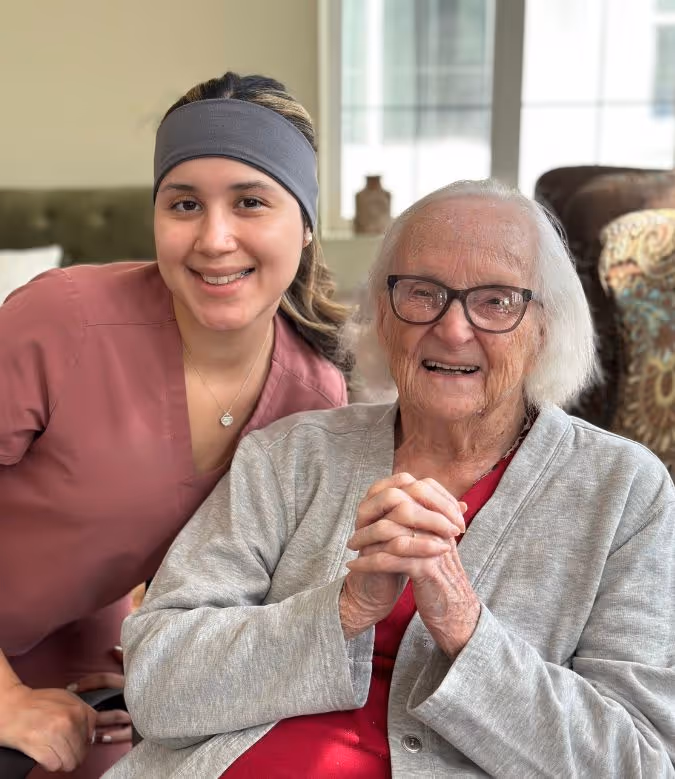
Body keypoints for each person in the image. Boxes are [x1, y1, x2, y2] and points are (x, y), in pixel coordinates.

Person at [106, 179, 674, 779]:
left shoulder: (624, 492)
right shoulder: (290, 456)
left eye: (497, 302)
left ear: (544, 326)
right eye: (422, 294)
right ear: (382, 311)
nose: (453, 330)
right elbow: (155, 684)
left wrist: (463, 626)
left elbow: (635, 762)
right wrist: (345, 609)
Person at [0, 72, 352, 778]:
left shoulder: (315, 398)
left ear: (306, 223)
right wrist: (5, 700)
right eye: (184, 203)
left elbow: (268, 601)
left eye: (250, 201)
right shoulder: (61, 321)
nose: (214, 238)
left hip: (77, 642)